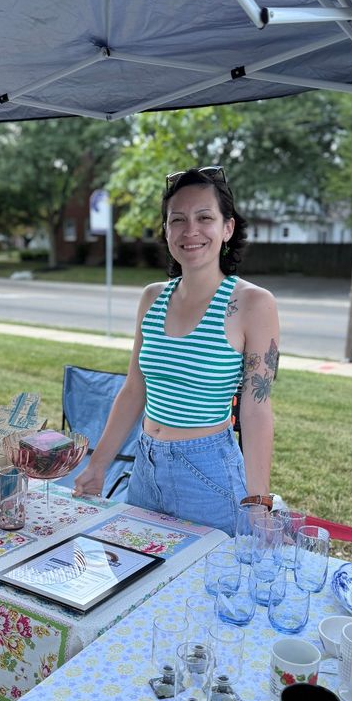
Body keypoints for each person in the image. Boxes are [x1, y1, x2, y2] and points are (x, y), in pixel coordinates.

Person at [73, 165, 279, 535]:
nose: (190, 231)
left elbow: (256, 408)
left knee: (209, 585)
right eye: (177, 220)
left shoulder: (252, 303)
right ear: (166, 230)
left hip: (208, 473)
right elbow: (134, 389)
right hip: (145, 467)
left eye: (205, 217)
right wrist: (97, 465)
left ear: (227, 228)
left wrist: (259, 500)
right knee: (138, 581)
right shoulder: (152, 297)